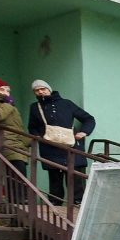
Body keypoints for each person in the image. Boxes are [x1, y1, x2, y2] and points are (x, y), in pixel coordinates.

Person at [26, 79, 95, 207]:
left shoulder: (66, 104)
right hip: (50, 148)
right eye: (37, 90)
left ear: (49, 89)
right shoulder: (35, 107)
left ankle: (78, 203)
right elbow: (32, 127)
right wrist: (39, 137)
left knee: (75, 177)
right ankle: (55, 205)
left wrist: (84, 132)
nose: (41, 92)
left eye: (43, 89)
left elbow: (88, 119)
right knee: (55, 179)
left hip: (71, 146)